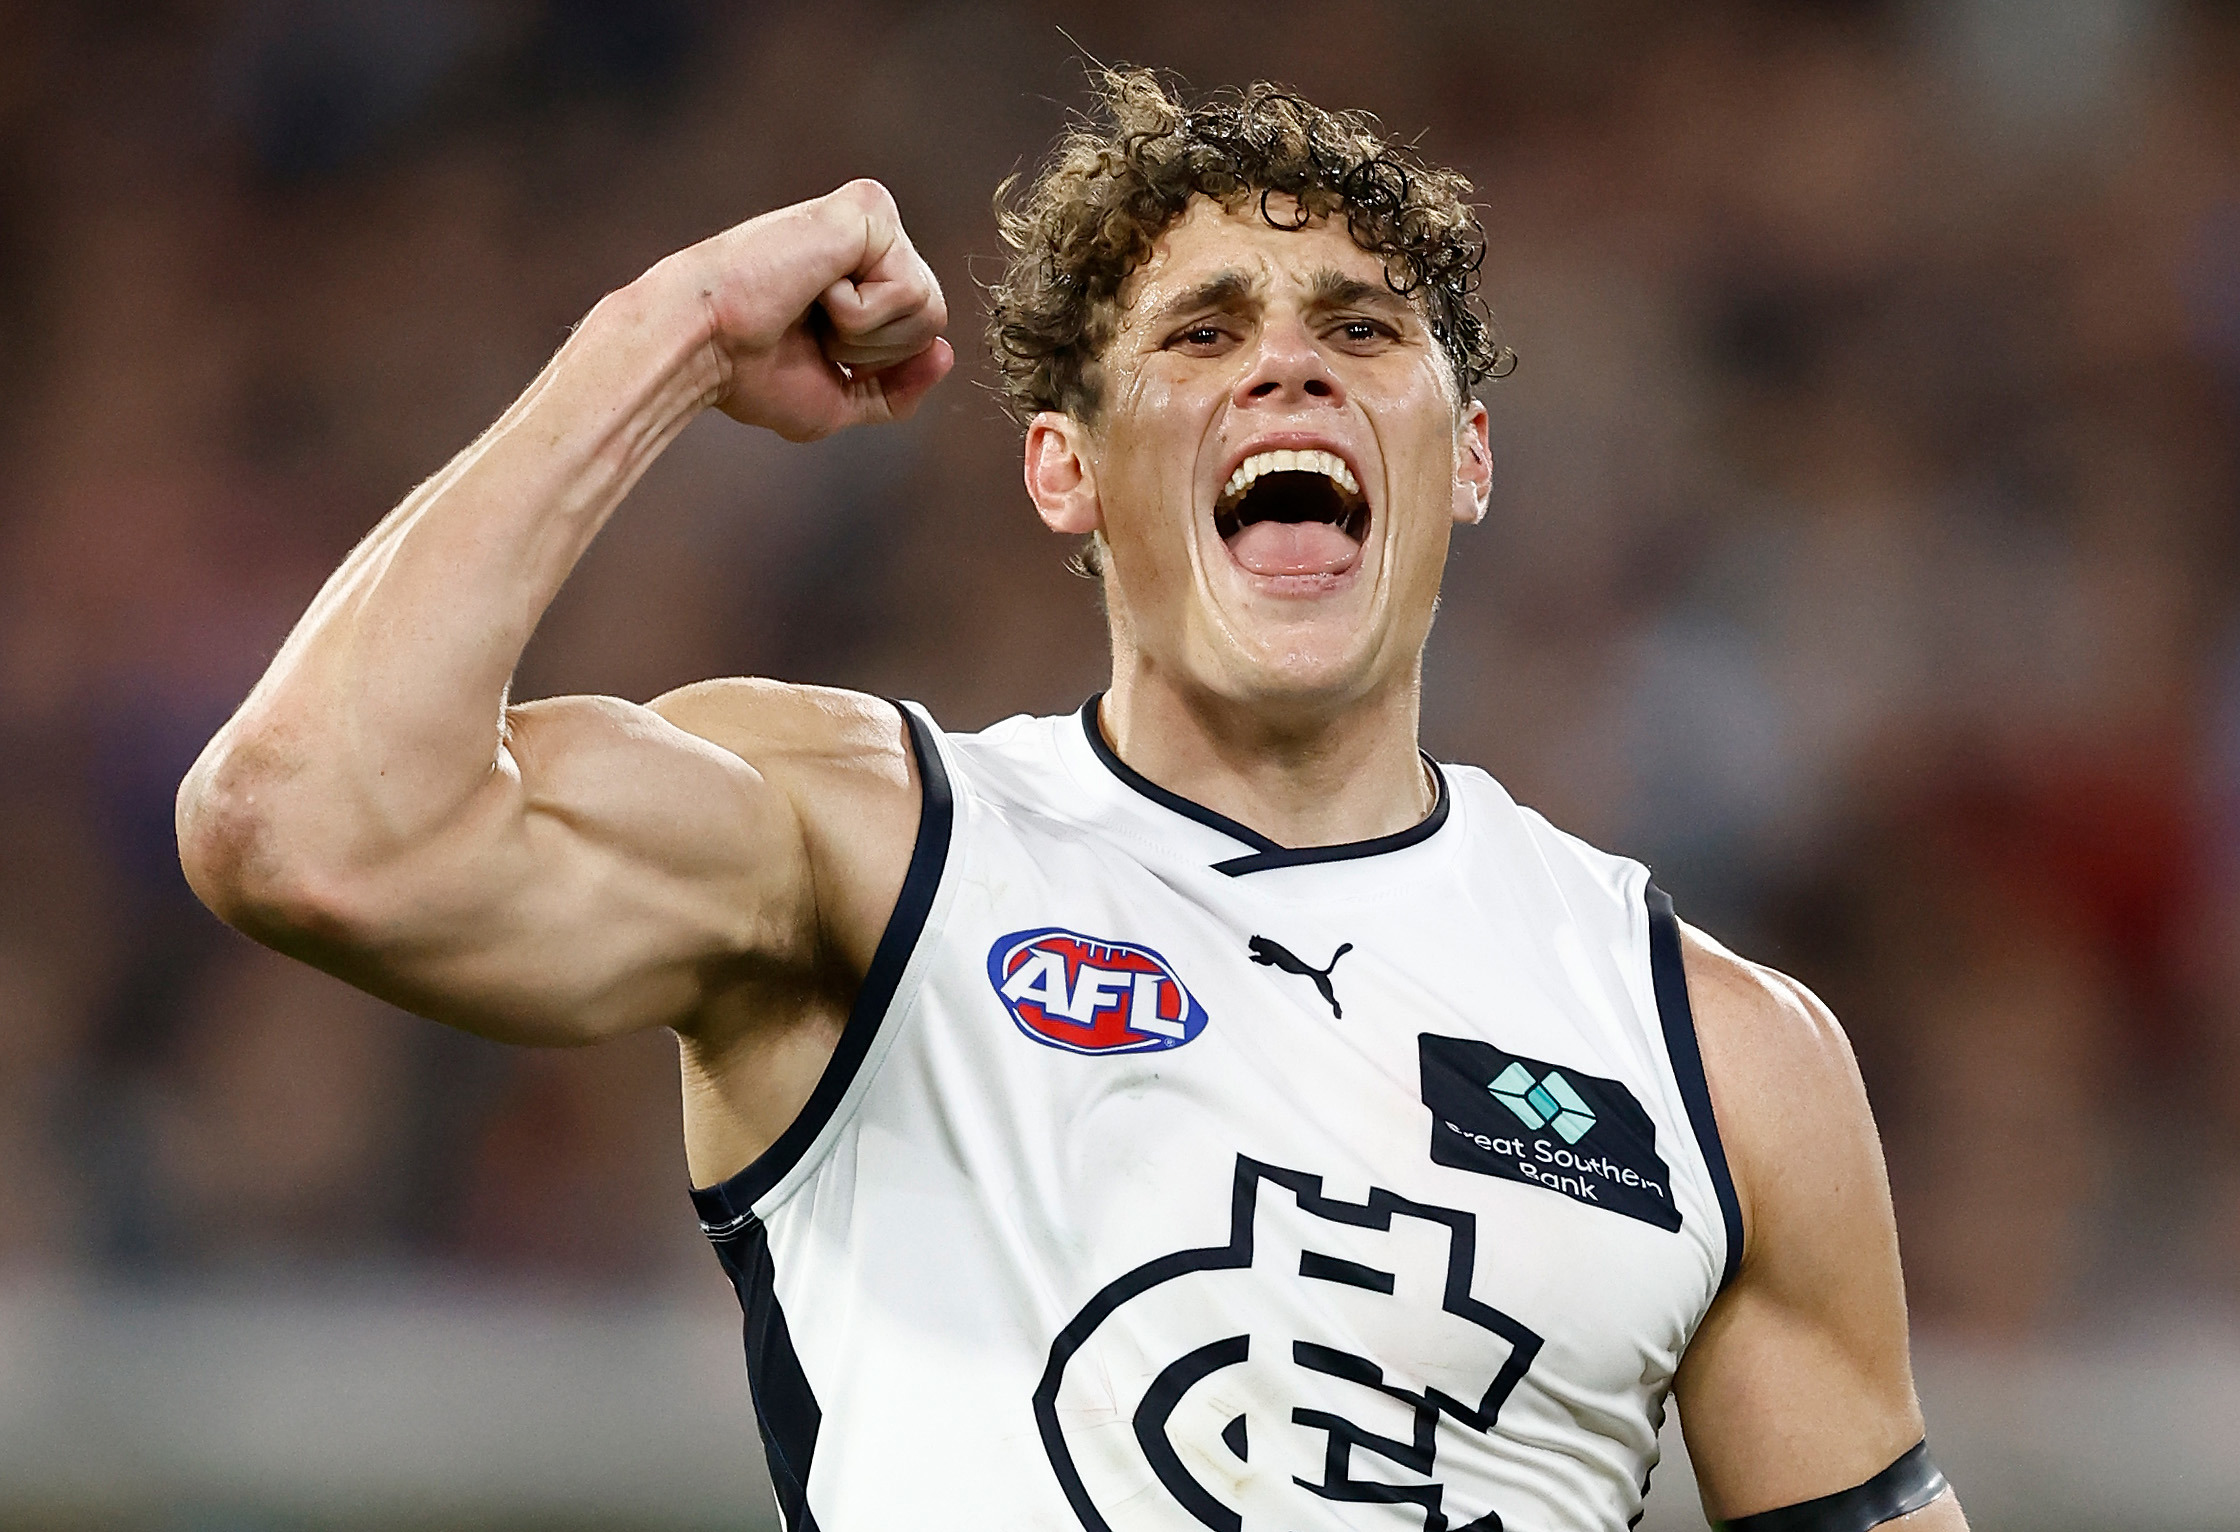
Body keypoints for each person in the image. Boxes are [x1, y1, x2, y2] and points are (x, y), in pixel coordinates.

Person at [176, 70, 1966, 1532]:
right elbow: (309, 827)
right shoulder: (866, 851)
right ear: (1066, 469)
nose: (1291, 365)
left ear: (1469, 454)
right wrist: (670, 331)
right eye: (1201, 334)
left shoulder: (1716, 1053)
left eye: (1361, 325)